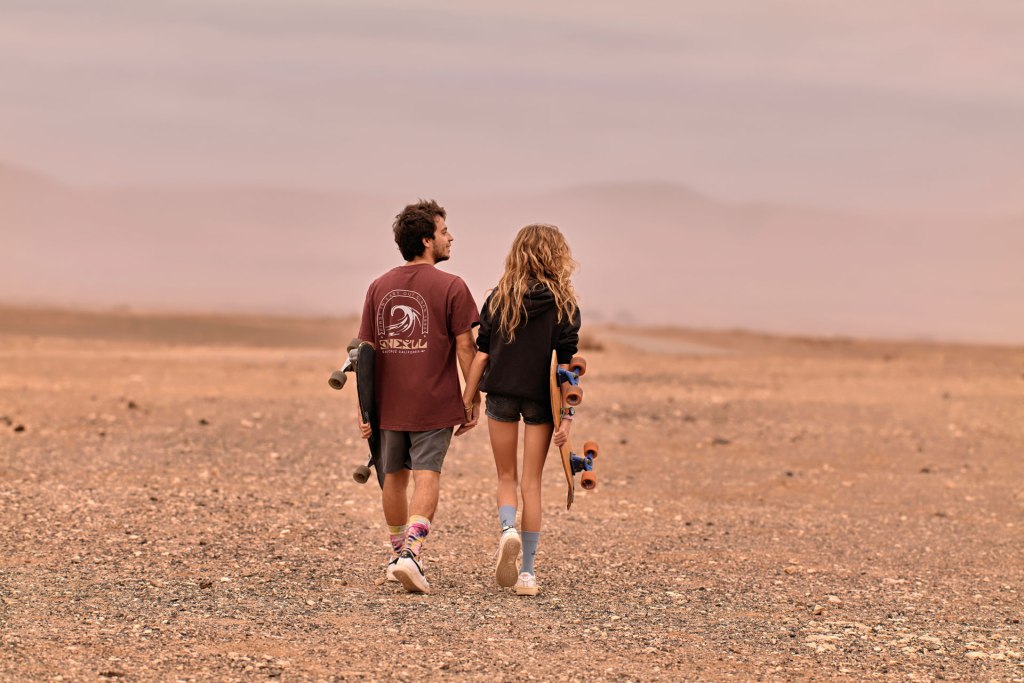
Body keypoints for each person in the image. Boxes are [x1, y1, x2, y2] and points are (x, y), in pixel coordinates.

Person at [356, 199, 481, 594]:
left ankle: (398, 555)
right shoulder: (452, 286)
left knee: (393, 477)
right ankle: (412, 554)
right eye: (444, 232)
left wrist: (365, 409)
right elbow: (466, 349)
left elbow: (365, 355)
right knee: (428, 475)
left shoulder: (378, 286)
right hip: (434, 401)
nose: (450, 237)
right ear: (427, 240)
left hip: (387, 404)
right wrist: (471, 396)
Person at [462, 224, 581, 596]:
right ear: (556, 256)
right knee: (532, 483)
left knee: (506, 477)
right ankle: (527, 573)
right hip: (541, 400)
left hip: (500, 394)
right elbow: (566, 369)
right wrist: (568, 418)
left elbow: (482, 355)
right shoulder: (563, 304)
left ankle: (507, 529)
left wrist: (468, 399)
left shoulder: (498, 299)